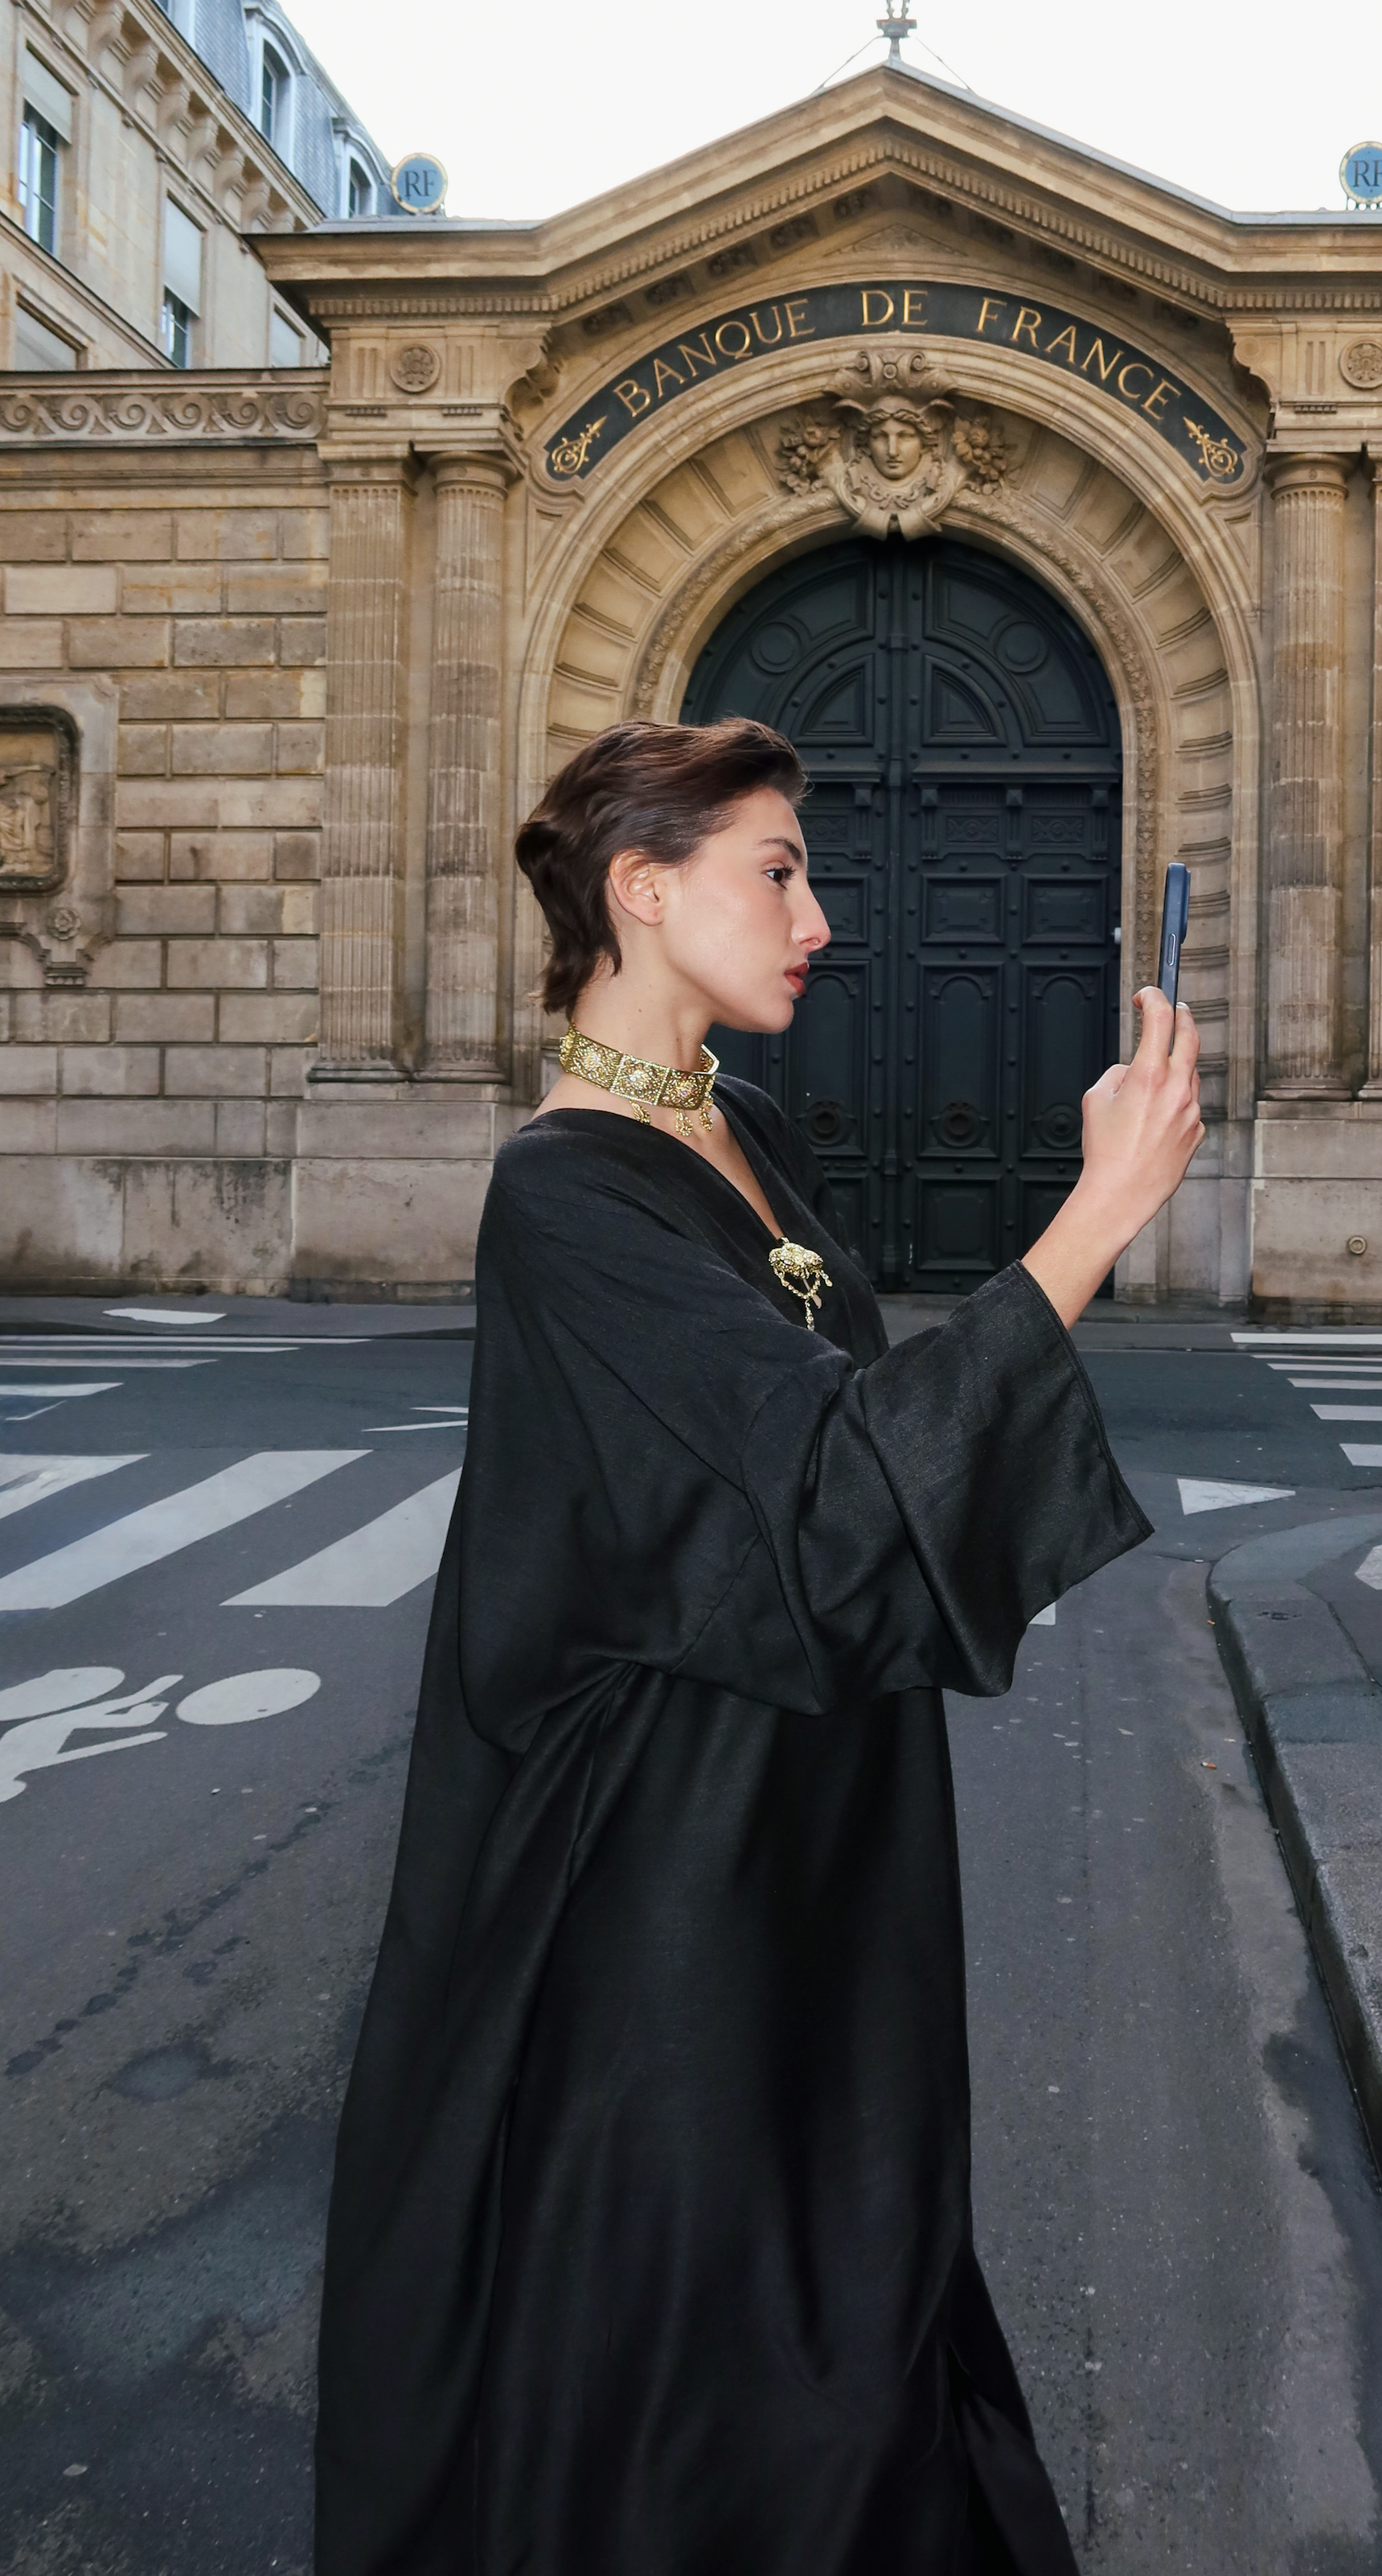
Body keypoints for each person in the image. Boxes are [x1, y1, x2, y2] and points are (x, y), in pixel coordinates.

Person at [315, 713, 1204, 2576]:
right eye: (778, 869)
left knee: (853, 2265)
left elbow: (853, 1475)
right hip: (669, 1875)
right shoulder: (561, 1195)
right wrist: (1097, 1209)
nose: (821, 913)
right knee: (736, 2347)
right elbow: (832, 1482)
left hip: (808, 1827)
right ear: (643, 891)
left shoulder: (743, 1126)